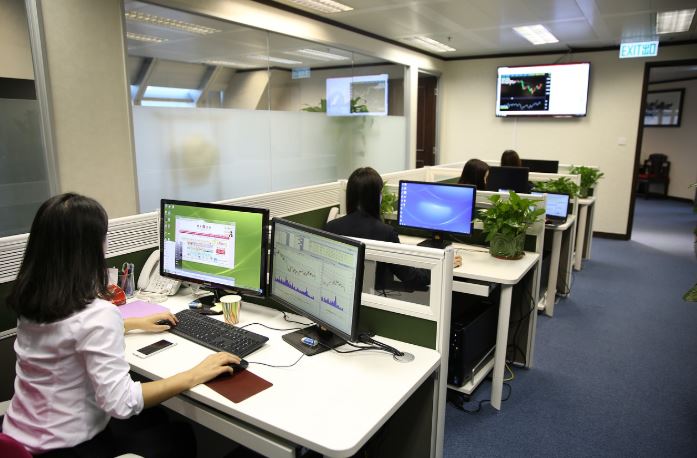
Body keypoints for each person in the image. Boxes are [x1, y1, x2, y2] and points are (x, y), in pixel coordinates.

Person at [2, 193, 241, 458]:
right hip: (69, 448)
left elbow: (66, 336)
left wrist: (130, 323)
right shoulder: (98, 316)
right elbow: (123, 403)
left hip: (20, 439)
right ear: (91, 249)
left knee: (155, 417)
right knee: (179, 434)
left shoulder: (32, 298)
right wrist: (195, 373)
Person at [325, 167, 461, 292]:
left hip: (339, 297)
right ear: (377, 197)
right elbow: (412, 279)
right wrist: (444, 265)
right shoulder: (386, 233)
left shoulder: (331, 227)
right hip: (374, 302)